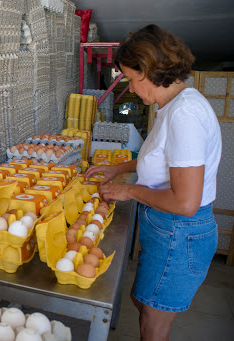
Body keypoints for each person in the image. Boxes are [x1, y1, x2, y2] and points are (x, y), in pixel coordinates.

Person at [85, 24, 222, 340]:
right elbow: (163, 160)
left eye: (132, 79)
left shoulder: (184, 114)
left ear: (147, 71)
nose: (131, 88)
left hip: (179, 229)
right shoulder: (171, 106)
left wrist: (129, 189)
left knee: (153, 322)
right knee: (145, 301)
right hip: (167, 227)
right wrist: (119, 168)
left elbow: (186, 202)